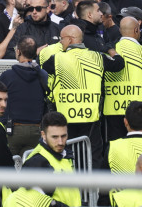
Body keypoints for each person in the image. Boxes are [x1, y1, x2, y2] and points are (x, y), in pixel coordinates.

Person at [42, 24, 125, 164]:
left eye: (62, 39)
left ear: (69, 40)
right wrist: (111, 50)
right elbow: (119, 64)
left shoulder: (57, 59)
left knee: (68, 159)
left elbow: (45, 68)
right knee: (94, 159)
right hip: (90, 120)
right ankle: (94, 186)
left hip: (66, 120)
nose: (60, 43)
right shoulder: (97, 57)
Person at [10, 111, 81, 207]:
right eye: (55, 137)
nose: (60, 142)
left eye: (63, 136)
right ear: (43, 135)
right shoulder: (37, 162)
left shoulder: (63, 155)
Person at [0, 36, 49, 156]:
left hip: (13, 130)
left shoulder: (7, 76)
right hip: (36, 129)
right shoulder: (42, 75)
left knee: (10, 168)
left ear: (18, 51)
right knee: (32, 170)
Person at [104, 18, 142, 142]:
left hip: (113, 109)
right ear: (137, 30)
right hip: (138, 110)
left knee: (116, 148)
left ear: (120, 31)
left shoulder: (110, 51)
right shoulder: (140, 51)